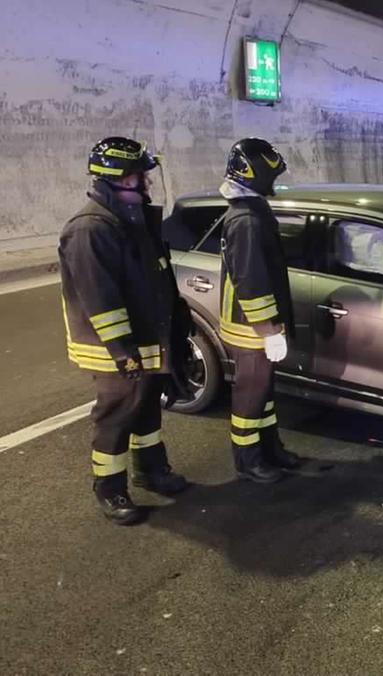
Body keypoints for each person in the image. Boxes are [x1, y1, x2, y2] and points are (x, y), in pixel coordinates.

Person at [59, 137, 190, 525]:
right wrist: (122, 351)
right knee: (116, 415)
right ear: (113, 180)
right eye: (137, 178)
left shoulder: (131, 221)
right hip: (114, 348)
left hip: (145, 340)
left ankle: (151, 469)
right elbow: (101, 299)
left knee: (146, 404)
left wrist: (175, 321)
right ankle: (109, 488)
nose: (145, 185)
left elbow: (154, 281)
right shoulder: (90, 230)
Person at [219, 137, 302, 483]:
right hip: (250, 327)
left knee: (264, 393)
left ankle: (270, 448)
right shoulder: (247, 221)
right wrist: (268, 330)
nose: (275, 181)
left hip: (257, 325)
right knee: (250, 395)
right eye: (272, 175)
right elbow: (251, 282)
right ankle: (248, 459)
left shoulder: (252, 210)